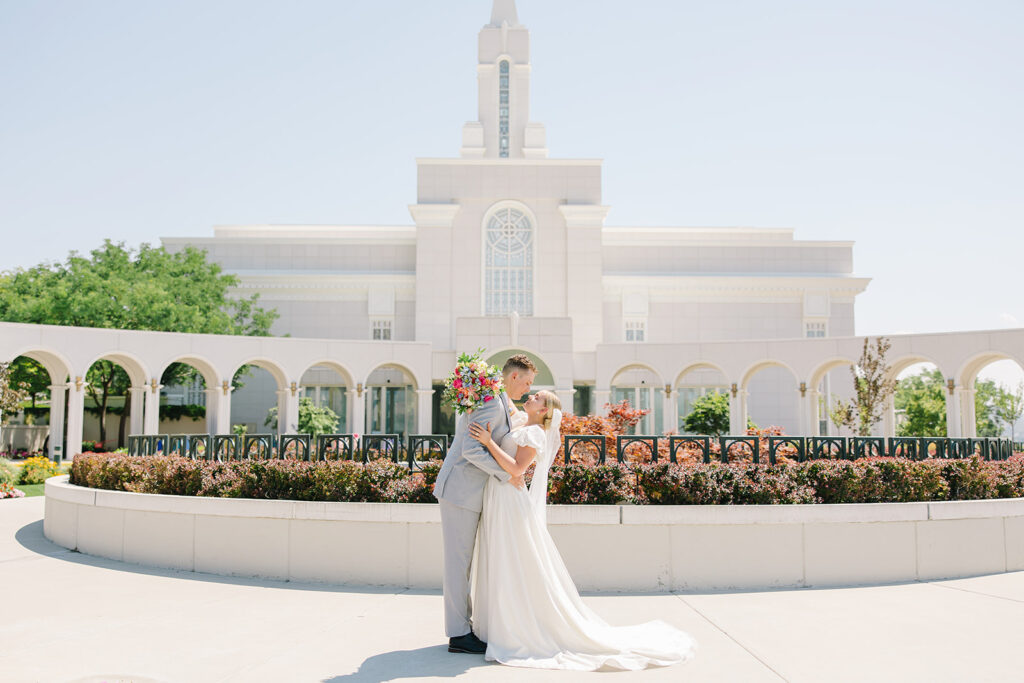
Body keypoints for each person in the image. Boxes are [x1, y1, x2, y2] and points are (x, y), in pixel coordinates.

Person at [467, 390, 697, 671]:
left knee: (512, 561)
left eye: (537, 397)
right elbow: (504, 401)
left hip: (509, 501)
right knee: (500, 559)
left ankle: (516, 627)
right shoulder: (521, 425)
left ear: (544, 410)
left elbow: (517, 469)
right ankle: (496, 625)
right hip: (497, 497)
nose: (530, 395)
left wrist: (489, 442)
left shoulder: (535, 433)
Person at [432, 354, 537, 654]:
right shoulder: (491, 400)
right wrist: (506, 476)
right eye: (527, 381)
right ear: (513, 376)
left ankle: (466, 627)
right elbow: (470, 450)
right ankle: (458, 634)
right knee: (458, 563)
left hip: (474, 493)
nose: (528, 388)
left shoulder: (502, 400)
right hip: (460, 491)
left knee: (465, 563)